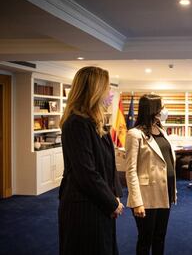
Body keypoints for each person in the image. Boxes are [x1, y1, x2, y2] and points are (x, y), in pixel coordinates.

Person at [58, 66, 124, 255]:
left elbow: (107, 165)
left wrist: (114, 194)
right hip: (84, 207)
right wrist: (111, 202)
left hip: (98, 202)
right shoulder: (76, 124)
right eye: (107, 88)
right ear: (94, 90)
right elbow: (86, 172)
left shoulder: (94, 122)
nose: (109, 93)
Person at [125, 94, 176, 255]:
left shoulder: (161, 129)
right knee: (146, 239)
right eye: (161, 107)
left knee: (160, 237)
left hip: (164, 192)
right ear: (152, 109)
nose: (164, 110)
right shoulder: (134, 134)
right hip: (146, 195)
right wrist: (136, 202)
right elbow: (131, 170)